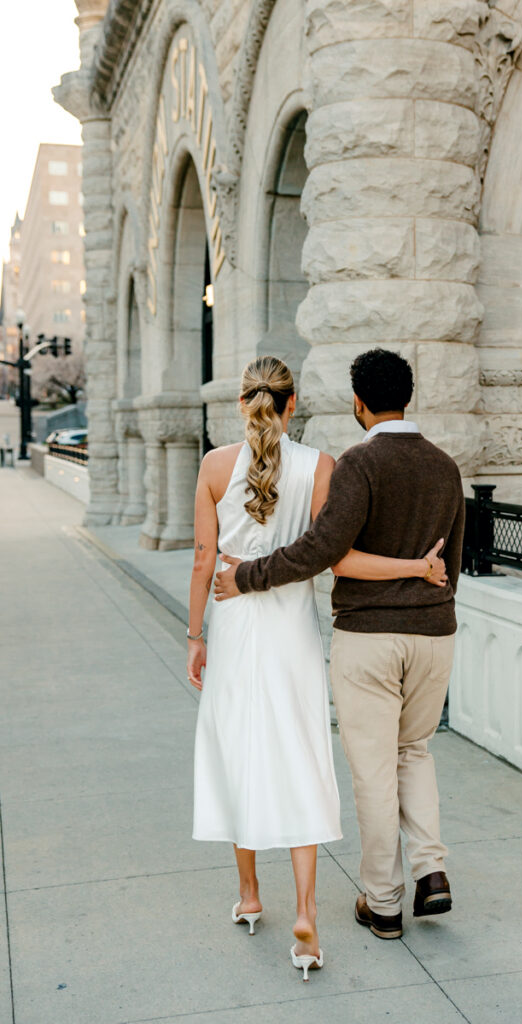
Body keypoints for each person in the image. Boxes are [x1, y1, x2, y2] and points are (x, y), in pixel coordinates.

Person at [187, 355, 448, 980]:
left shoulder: (215, 466)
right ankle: (307, 913)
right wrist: (416, 568)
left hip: (234, 621)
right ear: (293, 403)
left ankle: (250, 896)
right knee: (300, 753)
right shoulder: (322, 466)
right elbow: (336, 555)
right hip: (291, 631)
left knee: (236, 751)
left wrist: (195, 635)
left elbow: (202, 562)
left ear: (243, 402)